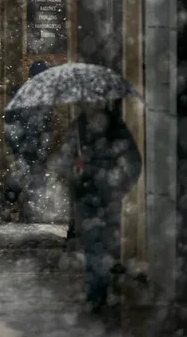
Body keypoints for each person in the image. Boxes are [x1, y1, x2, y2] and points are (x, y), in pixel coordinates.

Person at [54, 100, 142, 314]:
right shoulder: (80, 129)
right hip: (88, 195)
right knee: (94, 244)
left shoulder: (115, 129)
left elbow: (132, 163)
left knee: (104, 243)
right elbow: (63, 163)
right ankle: (97, 292)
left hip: (107, 195)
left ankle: (99, 291)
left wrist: (119, 185)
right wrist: (74, 164)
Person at [5, 60, 53, 221]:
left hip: (29, 143)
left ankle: (21, 206)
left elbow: (11, 119)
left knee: (28, 175)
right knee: (29, 175)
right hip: (28, 142)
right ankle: (21, 206)